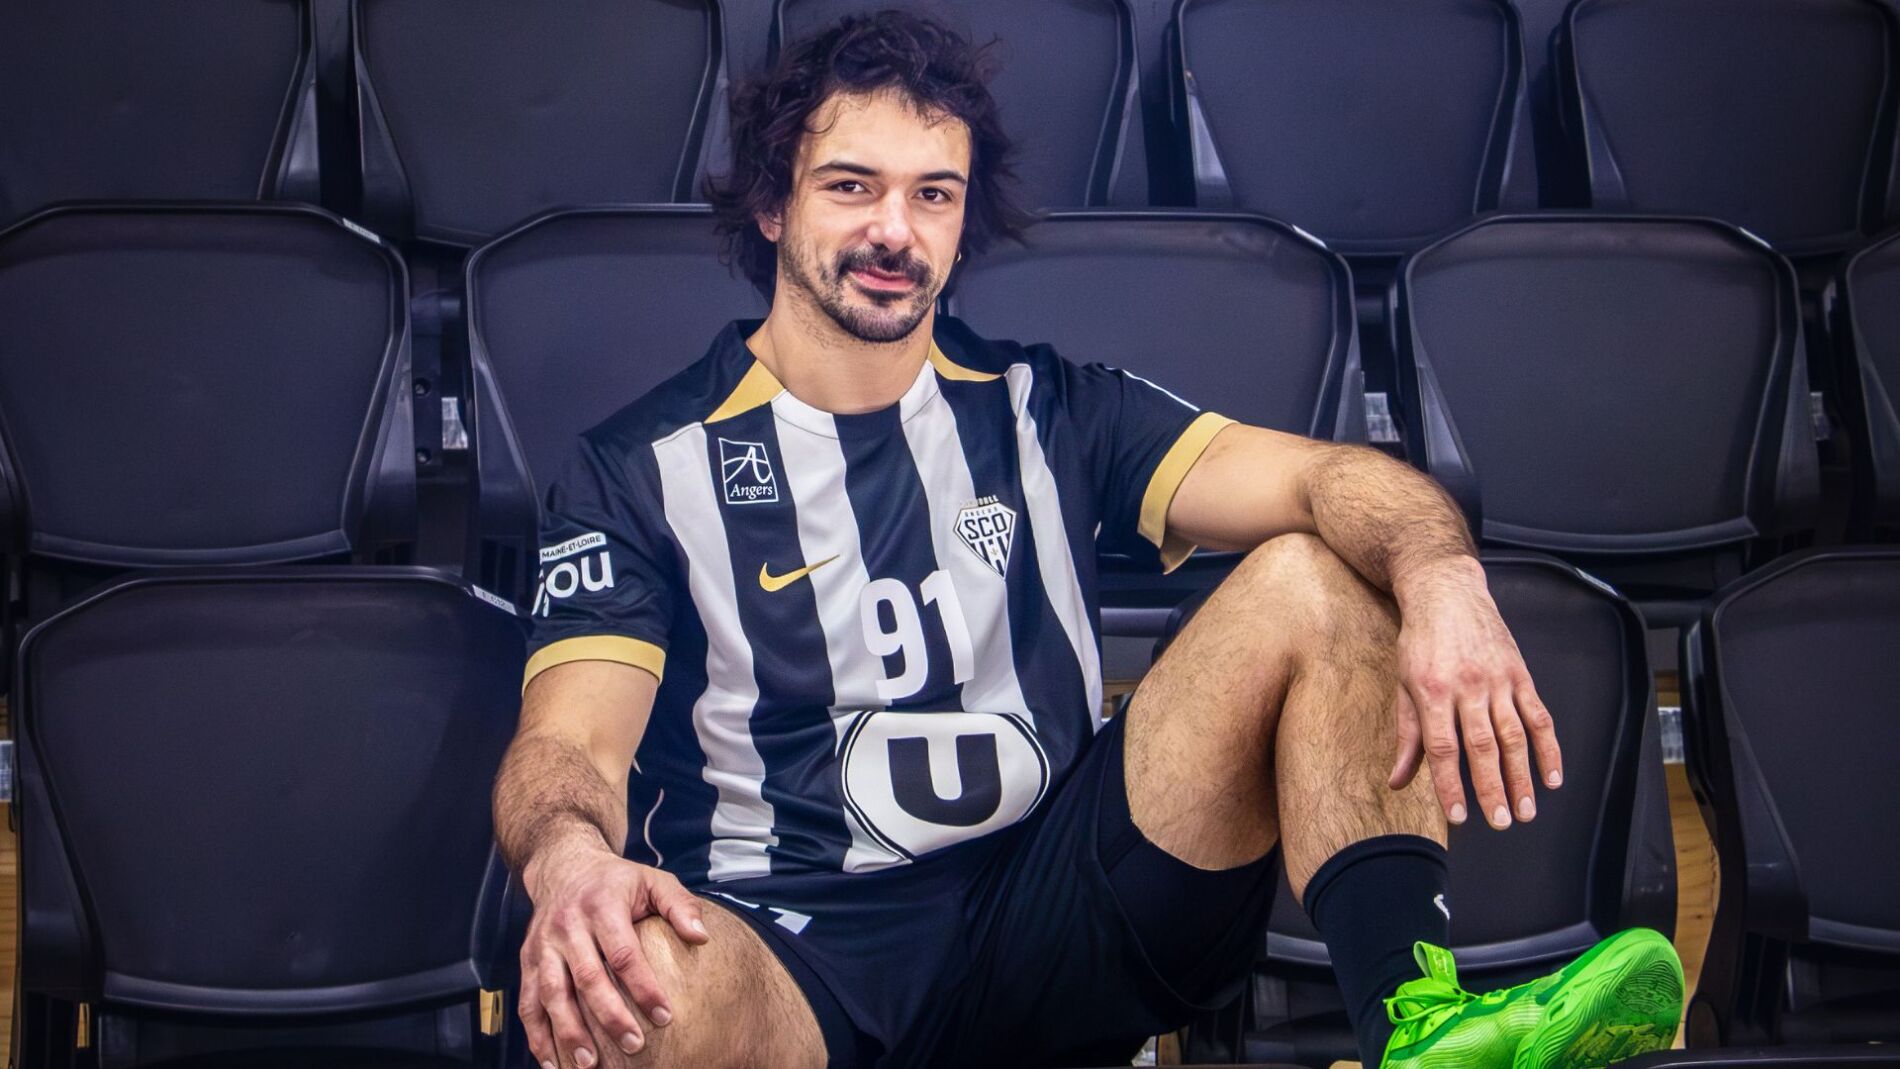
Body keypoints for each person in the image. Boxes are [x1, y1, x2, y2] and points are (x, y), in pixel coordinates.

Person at [491, 12, 1684, 1069]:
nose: (894, 229)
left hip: (1053, 916)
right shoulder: (636, 468)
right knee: (625, 985)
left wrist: (1442, 575)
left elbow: (1331, 475)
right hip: (789, 948)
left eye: (933, 194)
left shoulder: (1051, 405)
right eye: (851, 186)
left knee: (1318, 570)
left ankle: (1419, 1028)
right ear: (772, 205)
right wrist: (571, 860)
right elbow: (568, 744)